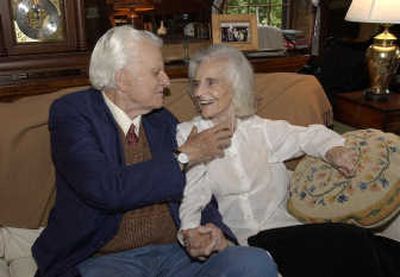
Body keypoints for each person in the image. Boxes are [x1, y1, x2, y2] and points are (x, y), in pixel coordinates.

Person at [32, 26, 278, 277]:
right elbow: (105, 189)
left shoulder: (162, 121)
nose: (166, 81)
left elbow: (196, 187)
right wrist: (184, 157)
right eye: (155, 72)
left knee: (252, 264)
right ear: (122, 79)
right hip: (103, 260)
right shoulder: (73, 113)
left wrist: (212, 232)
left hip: (175, 255)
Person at [178, 45, 400, 277]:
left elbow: (308, 136)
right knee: (350, 240)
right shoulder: (190, 136)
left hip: (287, 231)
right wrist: (190, 231)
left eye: (211, 82)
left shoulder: (259, 129)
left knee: (374, 247)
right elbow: (192, 192)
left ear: (236, 86)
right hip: (246, 244)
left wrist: (332, 150)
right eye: (196, 83)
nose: (199, 92)